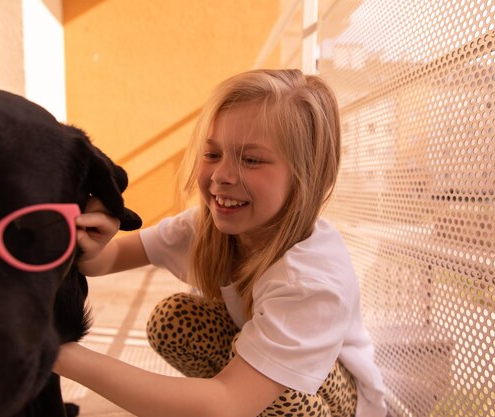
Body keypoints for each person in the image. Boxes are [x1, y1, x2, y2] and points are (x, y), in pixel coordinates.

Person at [54, 69, 387, 417]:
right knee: (173, 320)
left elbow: (227, 404)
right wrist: (93, 242)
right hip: (253, 377)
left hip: (335, 403)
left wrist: (56, 352)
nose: (221, 176)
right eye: (212, 154)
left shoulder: (311, 281)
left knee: (272, 394)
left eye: (251, 159)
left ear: (307, 175)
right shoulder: (206, 227)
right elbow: (107, 260)